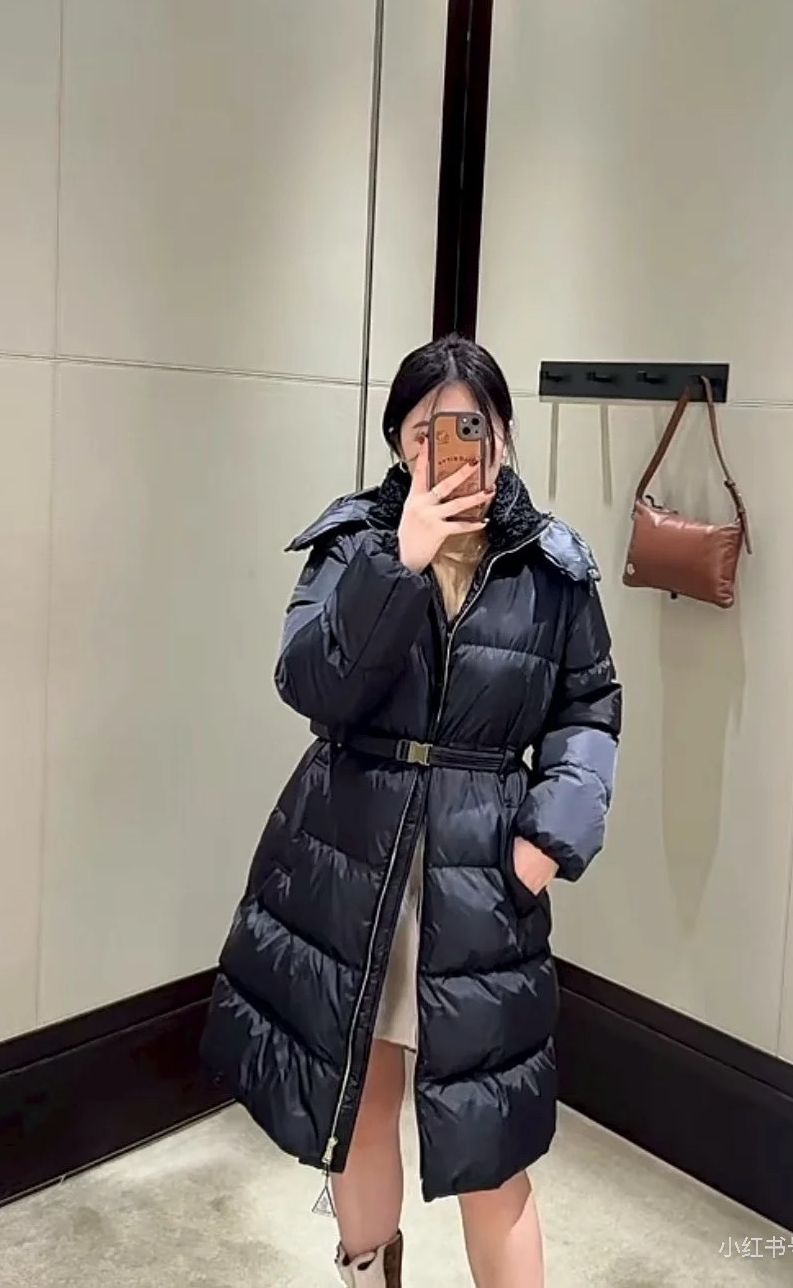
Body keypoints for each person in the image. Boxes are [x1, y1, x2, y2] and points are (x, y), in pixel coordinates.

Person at [201, 335, 622, 1287]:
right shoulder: (353, 542)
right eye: (427, 430)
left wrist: (550, 836)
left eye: (470, 426)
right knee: (360, 1099)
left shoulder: (553, 566)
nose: (449, 447)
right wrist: (400, 562)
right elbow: (309, 683)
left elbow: (589, 707)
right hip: (352, 859)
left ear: (503, 436)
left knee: (491, 1141)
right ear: (398, 440)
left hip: (482, 876)